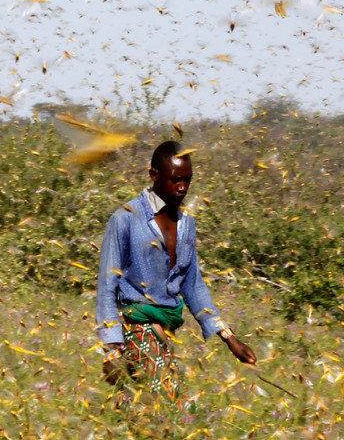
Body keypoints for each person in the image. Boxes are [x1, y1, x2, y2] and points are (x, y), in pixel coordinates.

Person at [96, 140, 255, 409]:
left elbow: (193, 284)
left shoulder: (186, 223)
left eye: (188, 180)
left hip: (166, 329)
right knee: (174, 407)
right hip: (136, 327)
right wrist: (111, 351)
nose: (182, 187)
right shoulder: (125, 219)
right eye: (175, 180)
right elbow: (107, 286)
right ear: (154, 175)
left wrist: (228, 337)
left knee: (141, 411)